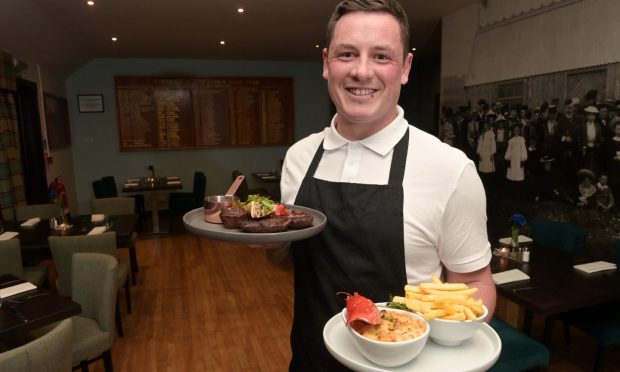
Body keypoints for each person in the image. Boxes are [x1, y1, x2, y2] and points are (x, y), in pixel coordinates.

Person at [265, 1, 496, 370]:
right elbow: (296, 263)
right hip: (311, 360)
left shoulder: (450, 169)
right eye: (347, 54)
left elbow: (474, 284)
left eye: (382, 56)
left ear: (405, 68)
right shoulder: (298, 158)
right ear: (327, 63)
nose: (361, 70)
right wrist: (267, 240)